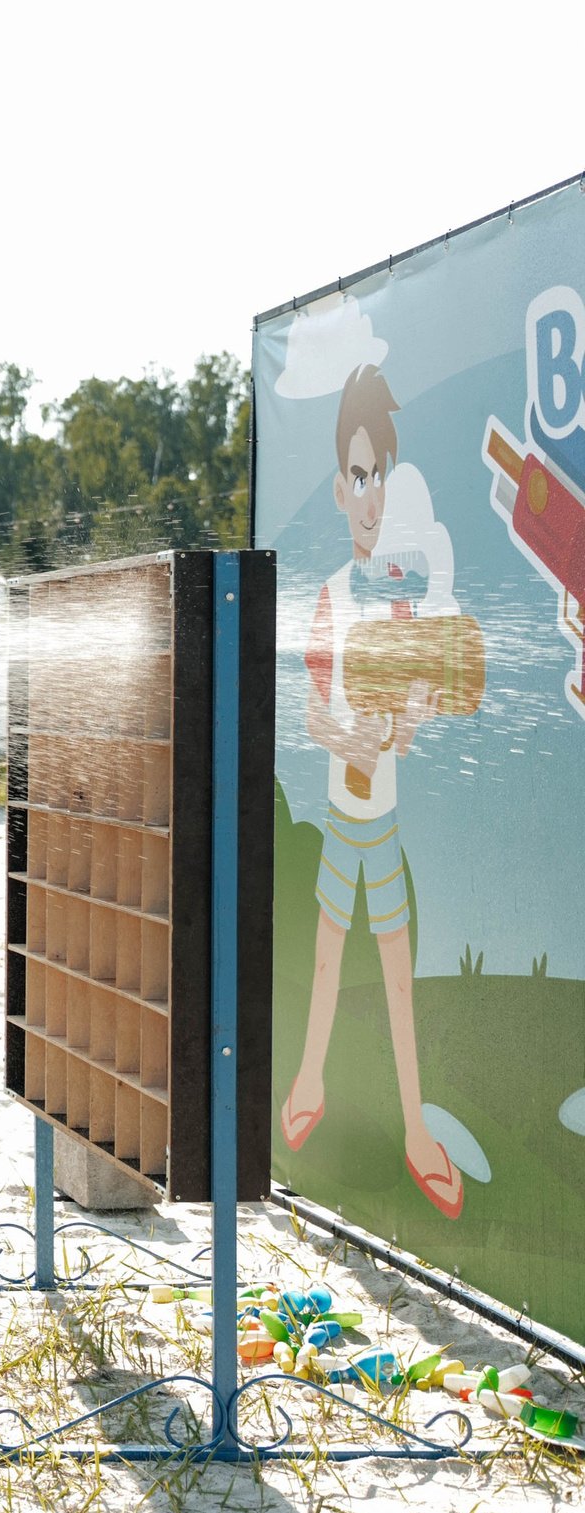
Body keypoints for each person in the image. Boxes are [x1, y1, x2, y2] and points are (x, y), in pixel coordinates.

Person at [282, 364, 477, 1219]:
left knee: (394, 971)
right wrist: (350, 734)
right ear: (339, 486)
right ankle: (309, 1080)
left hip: (383, 818)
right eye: (358, 476)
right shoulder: (329, 596)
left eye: (383, 476)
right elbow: (313, 716)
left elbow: (422, 702)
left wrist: (414, 714)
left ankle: (413, 1132)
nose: (371, 495)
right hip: (340, 814)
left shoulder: (402, 603)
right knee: (328, 956)